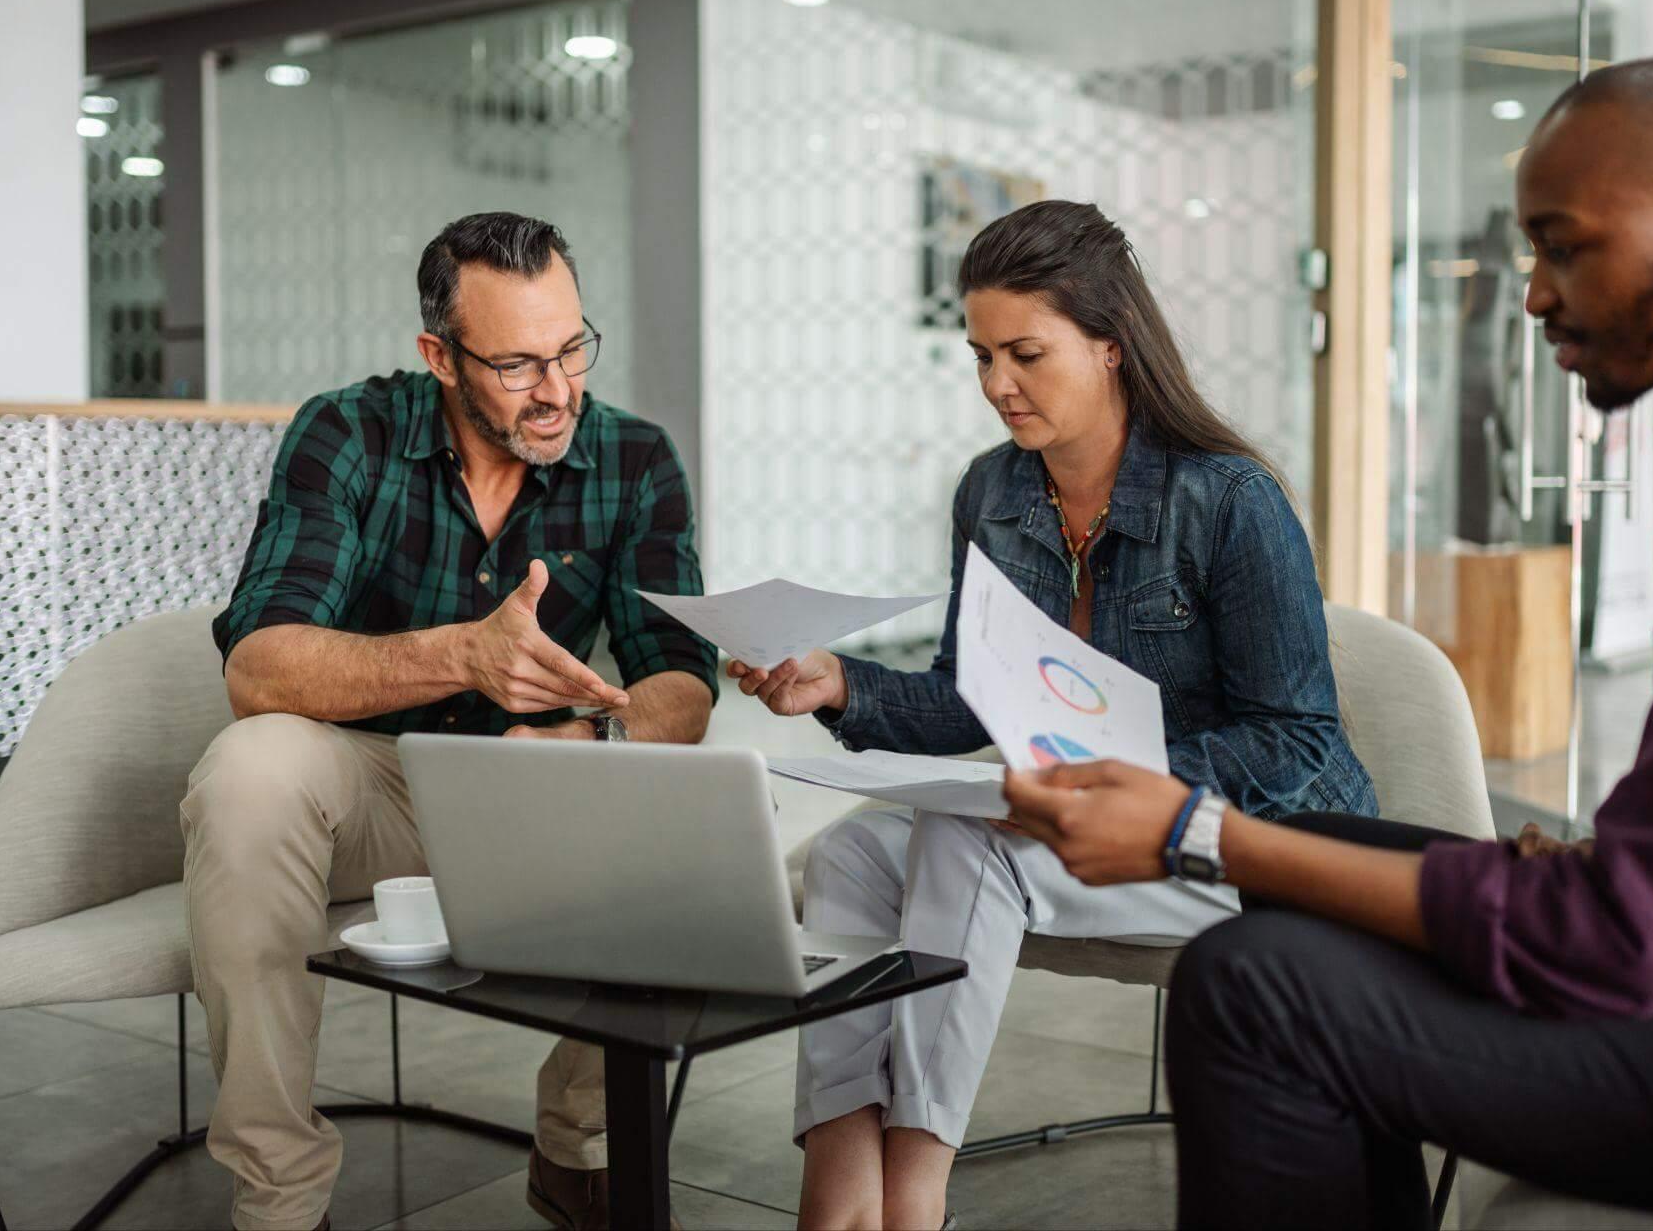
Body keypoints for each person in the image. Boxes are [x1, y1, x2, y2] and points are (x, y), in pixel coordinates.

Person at [1003, 57, 1653, 1229]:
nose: (1531, 294)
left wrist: (1196, 832)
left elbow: (1619, 941)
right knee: (1314, 862)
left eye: (1561, 245)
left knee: (1250, 987)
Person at [728, 199, 1376, 1229]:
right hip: (1086, 827)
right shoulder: (990, 493)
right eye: (981, 356)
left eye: (1024, 353)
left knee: (966, 842)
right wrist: (839, 685)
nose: (995, 386)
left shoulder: (1228, 501)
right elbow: (962, 699)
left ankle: (914, 1198)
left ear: (1111, 343)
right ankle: (840, 1185)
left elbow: (1295, 741)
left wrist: (1119, 787)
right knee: (854, 856)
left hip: (1253, 847)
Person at [185, 211, 717, 1231]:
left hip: (536, 789)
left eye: (570, 348)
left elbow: (679, 682)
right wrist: (459, 650)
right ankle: (280, 1198)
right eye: (517, 364)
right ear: (439, 355)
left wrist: (589, 739)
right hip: (369, 789)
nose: (557, 389)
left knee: (710, 837)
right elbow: (259, 665)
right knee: (250, 764)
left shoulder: (635, 458)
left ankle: (578, 1142)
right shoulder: (346, 433)